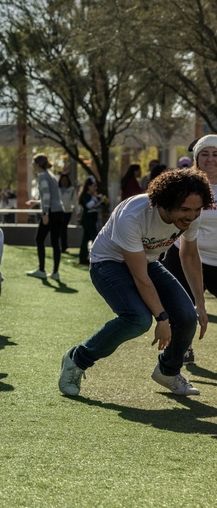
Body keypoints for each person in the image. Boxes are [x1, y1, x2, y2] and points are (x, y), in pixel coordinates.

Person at [59, 167, 212, 397]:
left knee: (187, 316)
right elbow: (140, 276)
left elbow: (189, 256)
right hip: (108, 263)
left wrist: (200, 302)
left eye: (197, 210)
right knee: (138, 319)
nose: (191, 216)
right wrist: (161, 317)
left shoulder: (191, 217)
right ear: (165, 203)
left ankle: (167, 372)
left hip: (149, 262)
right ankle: (77, 359)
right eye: (184, 210)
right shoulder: (134, 214)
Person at [162, 135, 217, 365]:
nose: (210, 159)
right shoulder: (186, 184)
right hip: (183, 252)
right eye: (204, 154)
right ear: (196, 157)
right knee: (183, 309)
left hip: (215, 259)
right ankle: (183, 349)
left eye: (215, 154)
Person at [25, 153, 66, 281]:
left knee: (39, 239)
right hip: (59, 211)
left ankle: (42, 270)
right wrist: (36, 202)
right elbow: (52, 197)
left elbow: (47, 196)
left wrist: (45, 214)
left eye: (33, 163)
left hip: (51, 213)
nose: (32, 165)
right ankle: (55, 272)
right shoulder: (51, 176)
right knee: (55, 242)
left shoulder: (42, 176)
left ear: (37, 164)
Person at [77, 177, 103, 266]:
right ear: (88, 186)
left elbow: (95, 206)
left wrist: (100, 201)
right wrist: (97, 199)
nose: (95, 188)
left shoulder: (92, 196)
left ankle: (83, 258)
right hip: (87, 221)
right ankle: (96, 257)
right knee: (95, 239)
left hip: (92, 220)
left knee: (86, 239)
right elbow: (88, 205)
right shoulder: (85, 195)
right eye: (93, 186)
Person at [58, 172, 77, 255]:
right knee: (59, 229)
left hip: (67, 211)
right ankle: (59, 245)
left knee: (63, 228)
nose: (64, 182)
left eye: (66, 180)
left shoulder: (71, 190)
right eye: (63, 180)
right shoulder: (57, 189)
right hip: (58, 211)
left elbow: (75, 201)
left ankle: (64, 246)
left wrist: (78, 211)